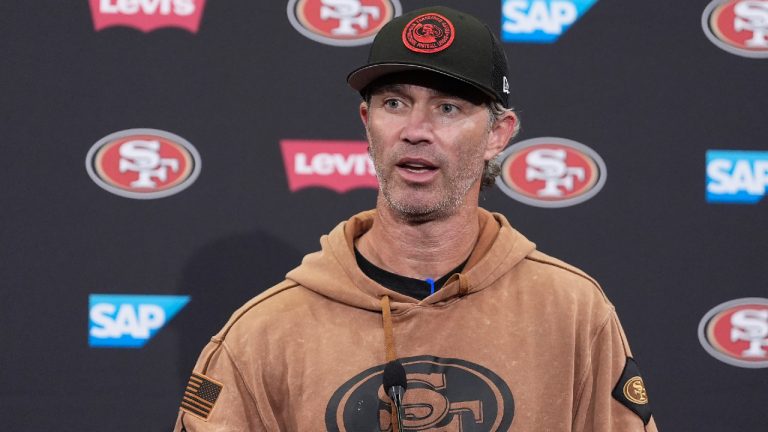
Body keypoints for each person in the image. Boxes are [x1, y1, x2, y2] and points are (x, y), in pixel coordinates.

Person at [173, 6, 658, 431]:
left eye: (448, 108)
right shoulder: (265, 332)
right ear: (367, 123)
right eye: (394, 103)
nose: (415, 131)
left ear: (498, 134)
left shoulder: (572, 311)